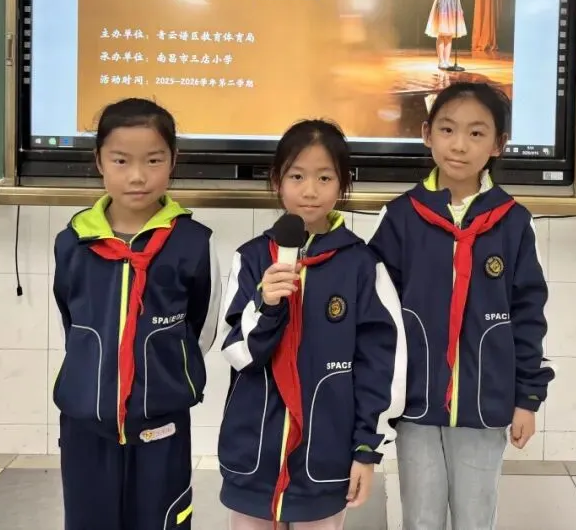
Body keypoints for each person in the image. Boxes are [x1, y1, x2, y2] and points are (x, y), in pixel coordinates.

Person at [368, 82, 554, 530]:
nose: (459, 145)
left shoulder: (513, 223)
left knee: (475, 517)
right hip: (415, 405)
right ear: (426, 133)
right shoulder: (400, 217)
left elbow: (528, 316)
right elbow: (377, 317)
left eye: (476, 133)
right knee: (420, 517)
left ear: (498, 144)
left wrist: (527, 399)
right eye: (448, 129)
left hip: (485, 405)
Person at [218, 119, 406, 530]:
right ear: (277, 181)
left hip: (326, 458)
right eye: (297, 176)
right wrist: (266, 305)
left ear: (343, 184)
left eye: (324, 177)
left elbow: (383, 365)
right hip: (253, 455)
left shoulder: (362, 265)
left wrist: (366, 449)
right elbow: (239, 354)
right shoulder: (251, 258)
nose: (309, 190)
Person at [52, 97, 221, 530]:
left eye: (153, 160)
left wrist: (162, 377)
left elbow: (200, 329)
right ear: (99, 161)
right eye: (121, 160)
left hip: (162, 424)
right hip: (86, 425)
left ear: (173, 161)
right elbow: (73, 323)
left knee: (162, 520)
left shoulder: (193, 243)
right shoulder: (73, 242)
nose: (138, 176)